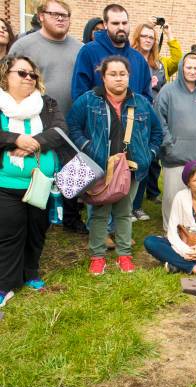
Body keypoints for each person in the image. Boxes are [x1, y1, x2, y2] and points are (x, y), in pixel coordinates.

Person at [67, 55, 163, 275]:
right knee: (99, 212)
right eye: (113, 74)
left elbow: (158, 133)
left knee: (124, 212)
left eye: (123, 74)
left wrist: (148, 154)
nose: (118, 78)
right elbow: (72, 126)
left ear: (129, 76)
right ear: (103, 76)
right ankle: (97, 256)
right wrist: (87, 145)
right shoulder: (90, 100)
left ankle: (124, 255)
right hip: (101, 168)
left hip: (130, 169)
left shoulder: (141, 103)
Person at [11, 0, 87, 235]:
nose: (61, 18)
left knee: (73, 169)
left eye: (65, 15)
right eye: (55, 14)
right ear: (41, 16)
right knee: (41, 168)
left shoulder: (79, 48)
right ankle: (38, 215)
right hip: (35, 119)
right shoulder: (25, 45)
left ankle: (71, 218)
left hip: (72, 120)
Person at [0, 55, 70, 307]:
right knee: (9, 233)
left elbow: (60, 130)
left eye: (32, 74)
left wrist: (35, 143)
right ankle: (5, 283)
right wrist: (15, 140)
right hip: (6, 183)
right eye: (22, 73)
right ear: (6, 74)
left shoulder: (46, 104)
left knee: (36, 230)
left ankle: (30, 273)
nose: (29, 78)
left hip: (40, 182)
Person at [156, 52, 196, 231]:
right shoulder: (167, 91)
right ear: (182, 67)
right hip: (174, 157)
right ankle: (170, 234)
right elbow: (159, 121)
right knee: (172, 200)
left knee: (195, 201)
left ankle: (191, 236)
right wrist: (169, 146)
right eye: (188, 67)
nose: (192, 71)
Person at [130, 20, 182, 221]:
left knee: (146, 160)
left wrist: (169, 35)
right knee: (129, 161)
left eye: (151, 37)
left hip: (152, 119)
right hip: (132, 115)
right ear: (137, 37)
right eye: (144, 36)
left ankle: (137, 206)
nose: (148, 40)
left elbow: (177, 59)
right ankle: (124, 206)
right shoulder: (129, 58)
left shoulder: (160, 64)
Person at [71, 4, 152, 102]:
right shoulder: (88, 52)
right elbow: (79, 95)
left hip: (131, 116)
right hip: (97, 116)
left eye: (125, 23)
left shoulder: (138, 59)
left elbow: (146, 98)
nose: (121, 27)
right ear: (105, 24)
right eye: (115, 23)